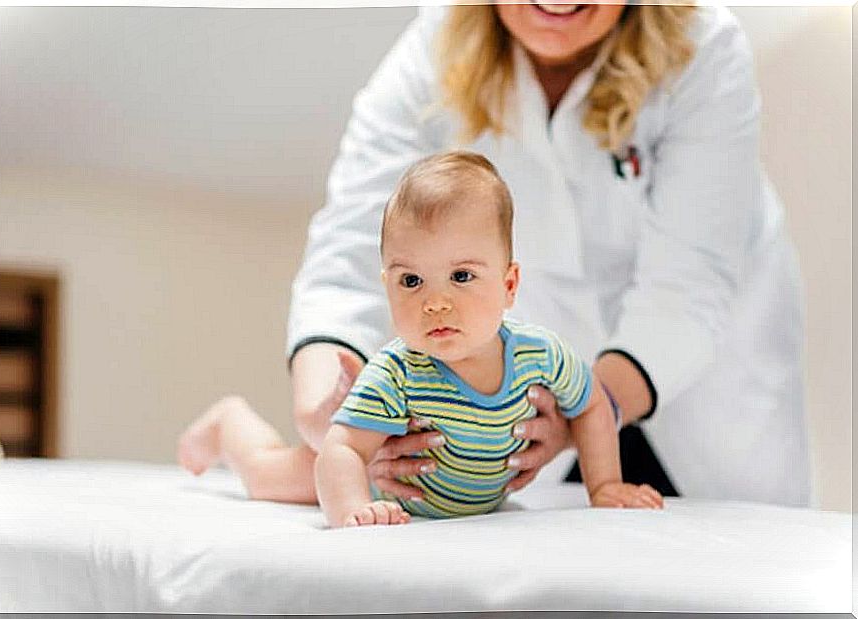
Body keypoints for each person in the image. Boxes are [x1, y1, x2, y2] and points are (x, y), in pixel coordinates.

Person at [284, 2, 812, 507]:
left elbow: (688, 286)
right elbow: (348, 251)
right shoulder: (436, 45)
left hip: (706, 382)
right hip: (534, 403)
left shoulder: (704, 46)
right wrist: (329, 407)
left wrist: (581, 416)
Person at [178, 151, 664, 526]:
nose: (435, 302)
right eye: (412, 282)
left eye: (461, 277)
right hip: (385, 483)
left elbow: (593, 404)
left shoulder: (541, 356)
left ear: (509, 285)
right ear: (388, 284)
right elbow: (342, 451)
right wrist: (353, 509)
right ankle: (228, 424)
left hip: (469, 492)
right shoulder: (396, 372)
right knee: (269, 477)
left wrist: (604, 486)